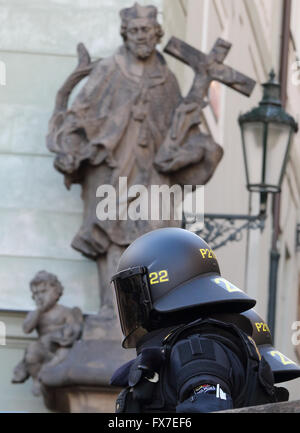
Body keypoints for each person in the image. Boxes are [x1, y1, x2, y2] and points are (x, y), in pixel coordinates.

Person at [110, 227, 288, 413]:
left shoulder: (197, 351)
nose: (131, 305)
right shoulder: (186, 348)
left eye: (133, 293)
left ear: (160, 283)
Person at [12, 271, 83, 396]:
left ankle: (45, 374)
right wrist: (39, 311)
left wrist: (67, 333)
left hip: (59, 345)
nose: (39, 296)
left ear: (56, 292)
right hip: (43, 347)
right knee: (31, 352)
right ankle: (36, 379)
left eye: (43, 292)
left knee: (65, 353)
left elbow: (74, 329)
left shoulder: (66, 311)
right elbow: (27, 328)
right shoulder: (36, 314)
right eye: (36, 293)